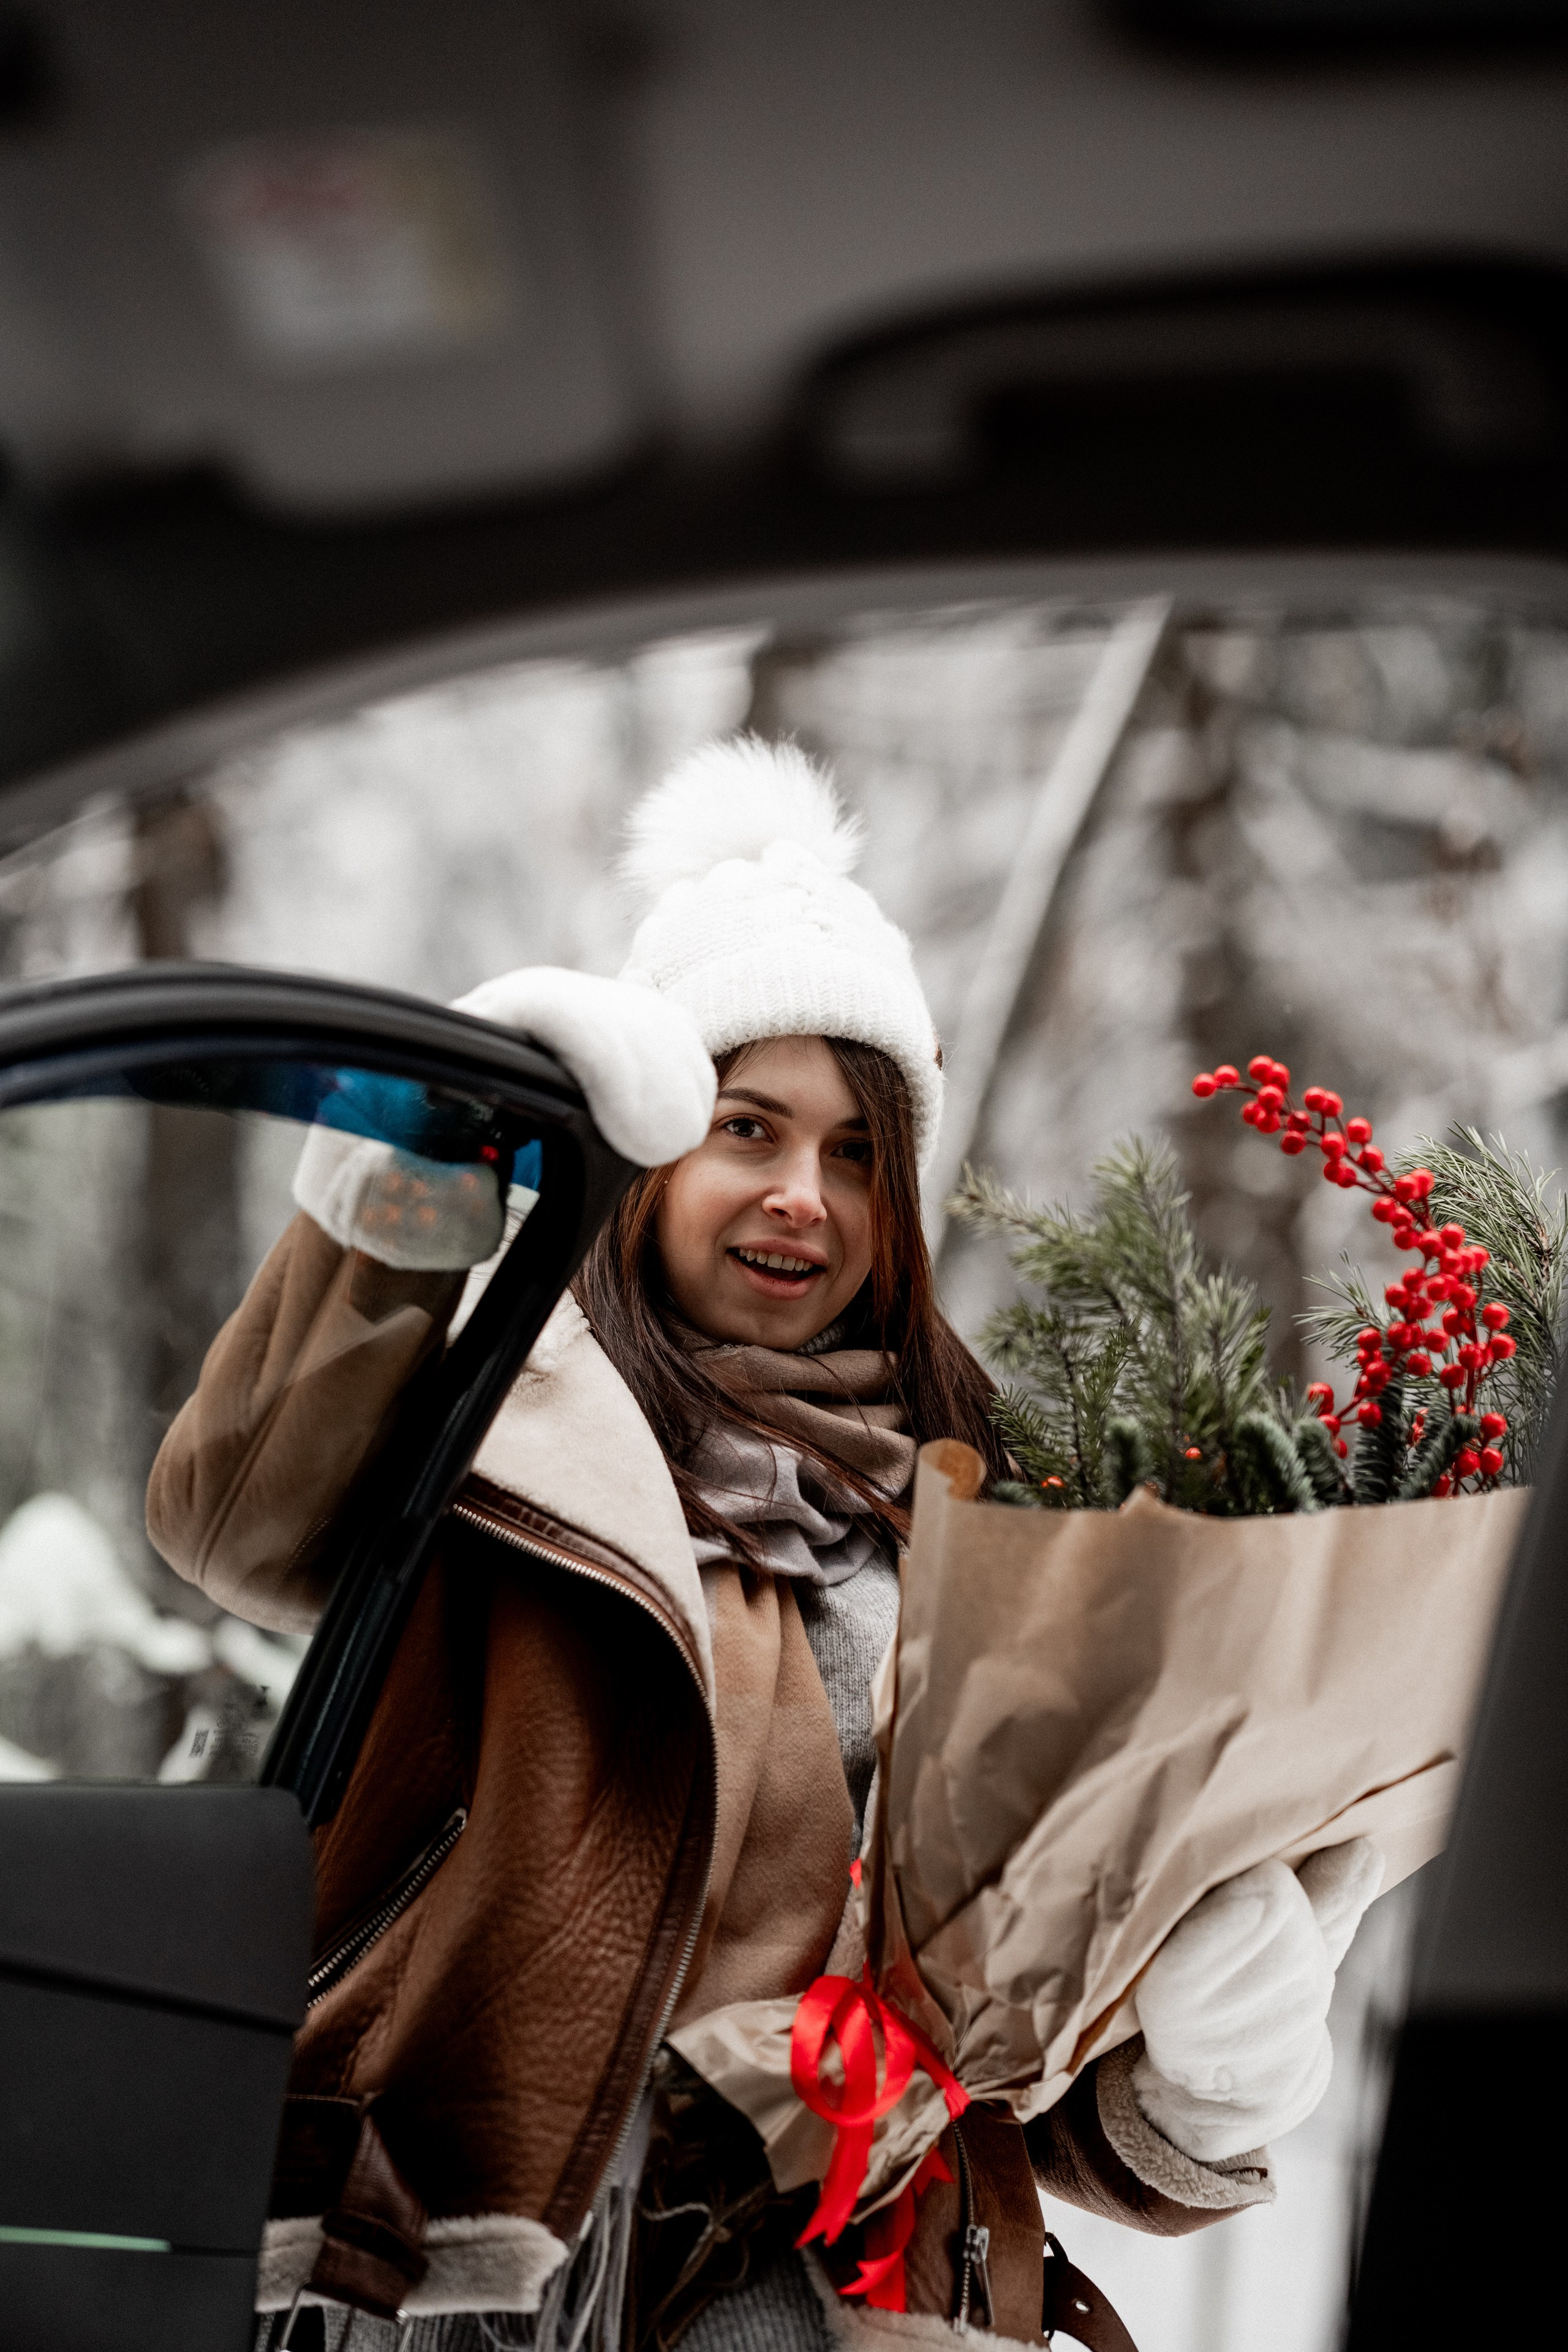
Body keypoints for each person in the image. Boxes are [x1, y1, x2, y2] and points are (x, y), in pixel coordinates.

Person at [148, 737, 1380, 2352]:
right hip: (494, 2292)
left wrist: (1213, 2051)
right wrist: (435, 1139)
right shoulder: (511, 1430)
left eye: (855, 1150)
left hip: (883, 2301)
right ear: (650, 1156)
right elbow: (236, 1513)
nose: (808, 1193)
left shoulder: (989, 1530)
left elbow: (1019, 2066)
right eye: (749, 1127)